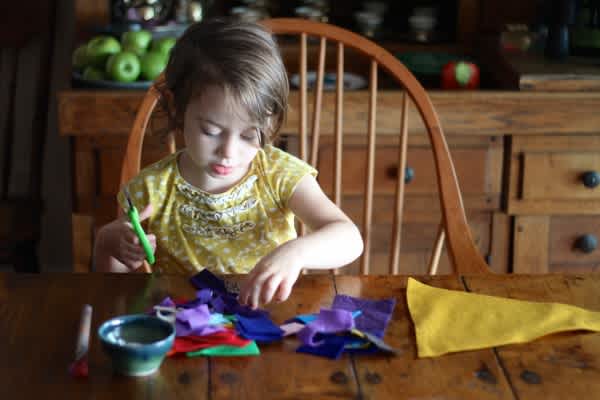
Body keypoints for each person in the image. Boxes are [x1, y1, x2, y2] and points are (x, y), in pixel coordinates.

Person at [94, 18, 363, 308]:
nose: (228, 152)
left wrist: (296, 253)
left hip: (268, 320)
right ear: (177, 108)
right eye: (211, 131)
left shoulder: (279, 174)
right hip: (187, 329)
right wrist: (107, 242)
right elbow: (113, 294)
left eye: (250, 135)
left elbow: (349, 238)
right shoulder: (151, 190)